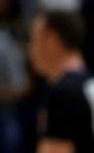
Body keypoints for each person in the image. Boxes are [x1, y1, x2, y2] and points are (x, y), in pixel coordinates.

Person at [28, 10, 94, 153]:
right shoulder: (86, 82)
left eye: (34, 39)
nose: (30, 50)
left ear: (52, 40)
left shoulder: (64, 93)